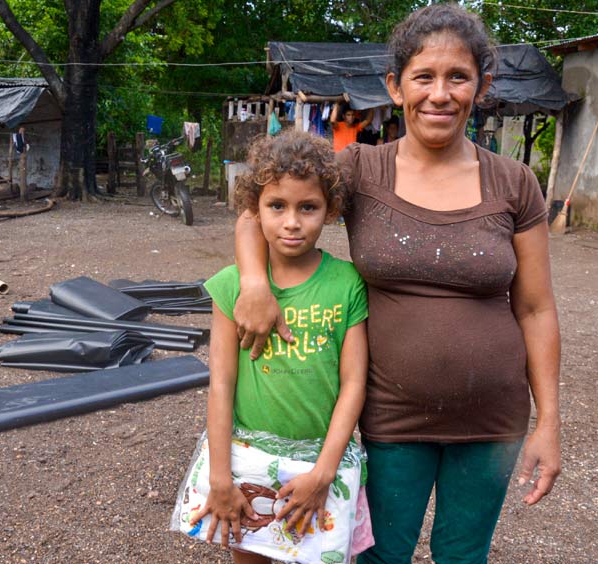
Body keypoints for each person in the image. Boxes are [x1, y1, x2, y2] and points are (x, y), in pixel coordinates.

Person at [231, 5, 561, 564]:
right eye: (423, 77)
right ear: (395, 85)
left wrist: (549, 421)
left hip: (492, 421)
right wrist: (253, 283)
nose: (440, 93)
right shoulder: (361, 169)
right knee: (380, 555)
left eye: (458, 77)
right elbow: (256, 208)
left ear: (480, 86)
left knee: (463, 553)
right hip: (389, 417)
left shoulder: (514, 182)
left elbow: (535, 308)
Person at [174, 130, 372, 563]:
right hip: (244, 462)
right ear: (254, 209)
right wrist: (220, 477)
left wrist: (324, 472)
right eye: (276, 206)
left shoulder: (347, 283)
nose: (292, 222)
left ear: (331, 209)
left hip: (322, 463)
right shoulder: (231, 287)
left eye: (309, 207)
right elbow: (221, 384)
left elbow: (354, 383)